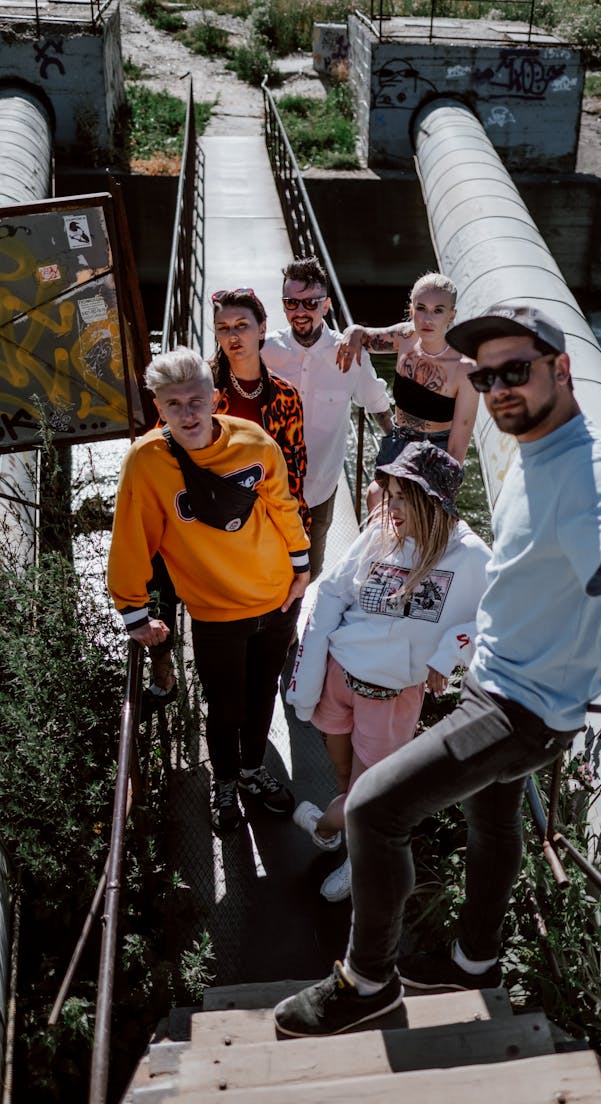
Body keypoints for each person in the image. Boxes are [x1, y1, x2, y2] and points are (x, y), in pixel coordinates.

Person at [273, 301, 601, 1038]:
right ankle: (477, 957)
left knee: (372, 809)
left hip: (521, 706)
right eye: (485, 378)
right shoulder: (535, 449)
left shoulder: (593, 470)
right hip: (499, 682)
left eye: (515, 371)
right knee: (493, 822)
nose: (499, 391)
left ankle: (367, 981)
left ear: (563, 367)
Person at [107, 347, 310, 832]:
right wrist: (134, 611)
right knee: (224, 704)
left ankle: (252, 771)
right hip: (216, 609)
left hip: (275, 596)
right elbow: (132, 537)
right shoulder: (147, 462)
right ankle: (223, 783)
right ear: (157, 406)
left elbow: (283, 506)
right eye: (173, 404)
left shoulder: (254, 441)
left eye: (196, 400)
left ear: (216, 397)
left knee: (262, 695)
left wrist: (301, 566)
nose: (187, 413)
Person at [287, 442, 490, 903]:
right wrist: (311, 668)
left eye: (400, 496)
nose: (389, 506)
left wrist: (446, 656)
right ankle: (344, 839)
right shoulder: (381, 531)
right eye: (390, 493)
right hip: (339, 679)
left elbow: (499, 619)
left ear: (429, 499)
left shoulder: (473, 559)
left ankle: (332, 836)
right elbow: (333, 590)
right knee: (345, 780)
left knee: (366, 799)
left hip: (390, 697)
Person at [263, 256, 393, 579]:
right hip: (269, 486)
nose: (300, 311)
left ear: (326, 305)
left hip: (319, 489)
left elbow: (376, 400)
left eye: (310, 302)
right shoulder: (265, 351)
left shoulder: (349, 353)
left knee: (311, 571)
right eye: (291, 302)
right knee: (268, 567)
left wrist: (398, 447)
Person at [337, 272, 479, 510]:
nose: (428, 318)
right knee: (375, 498)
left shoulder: (465, 369)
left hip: (435, 452)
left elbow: (457, 449)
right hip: (398, 441)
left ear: (451, 315)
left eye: (438, 310)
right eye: (421, 308)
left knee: (410, 512)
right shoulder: (404, 337)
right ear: (411, 310)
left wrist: (442, 491)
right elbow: (364, 336)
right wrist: (351, 331)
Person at [211, 286, 310, 535]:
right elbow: (164, 446)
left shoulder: (285, 395)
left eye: (242, 325)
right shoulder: (199, 388)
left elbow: (294, 472)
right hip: (211, 518)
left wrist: (297, 536)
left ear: (262, 328)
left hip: (265, 520)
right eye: (223, 328)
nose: (232, 335)